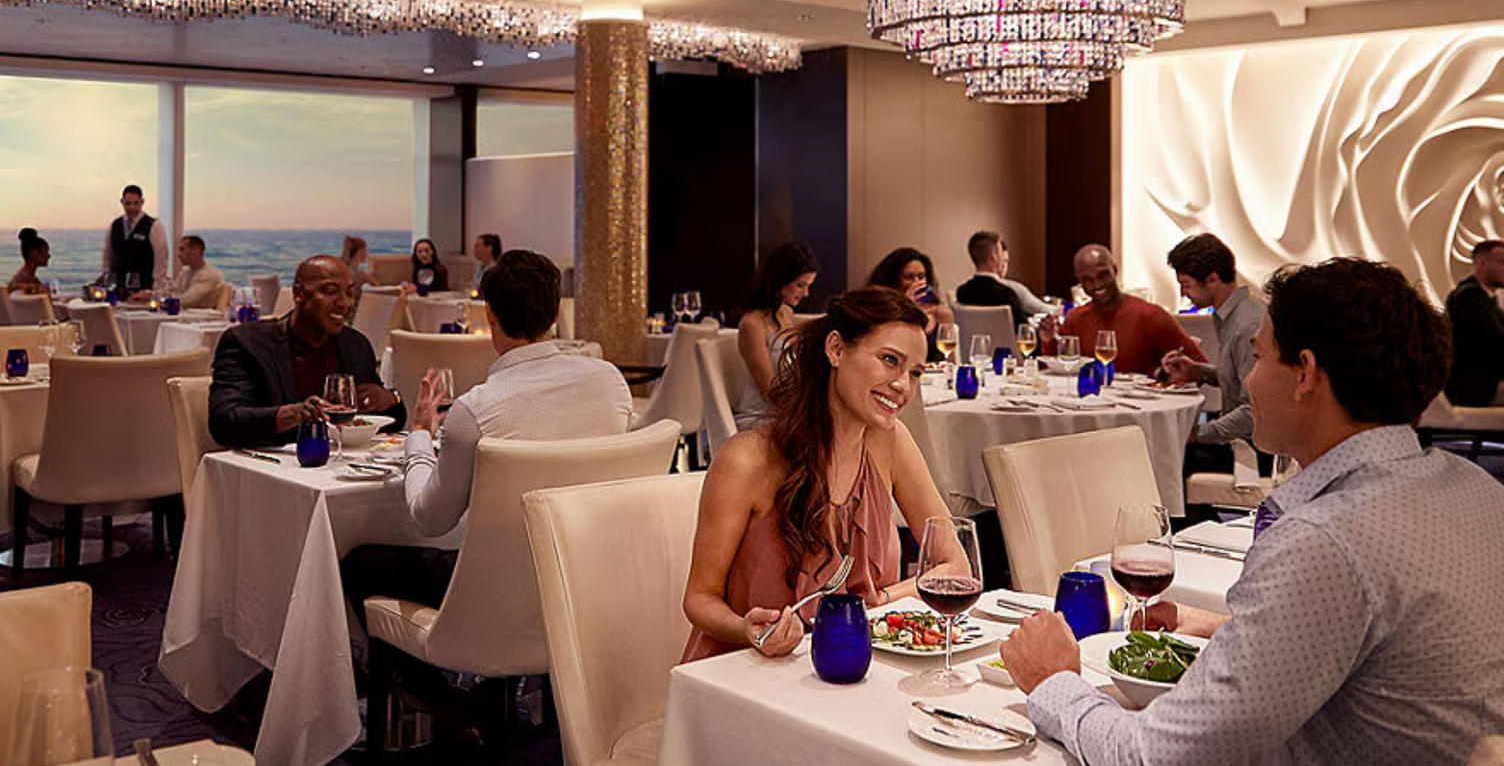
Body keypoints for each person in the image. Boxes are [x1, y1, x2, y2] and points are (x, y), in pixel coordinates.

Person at [999, 257, 1504, 766]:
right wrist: (1227, 630)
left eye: (1258, 357)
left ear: (1305, 373)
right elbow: (1403, 655)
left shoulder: (1325, 539)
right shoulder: (1484, 490)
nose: (1247, 381)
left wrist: (1051, 682)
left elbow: (1156, 757)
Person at [339, 249, 634, 615]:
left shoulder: (476, 409)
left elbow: (430, 519)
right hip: (588, 578)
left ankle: (419, 672)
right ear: (556, 314)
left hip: (495, 594)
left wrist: (418, 433)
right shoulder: (610, 382)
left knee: (357, 563)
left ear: (490, 316)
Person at [681, 287, 953, 660]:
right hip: (746, 673)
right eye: (890, 360)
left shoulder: (891, 442)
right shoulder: (748, 459)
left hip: (852, 671)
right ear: (836, 349)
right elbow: (699, 597)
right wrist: (747, 629)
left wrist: (877, 601)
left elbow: (954, 563)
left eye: (915, 373)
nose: (903, 386)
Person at [208, 255, 405, 449]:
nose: (345, 303)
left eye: (349, 293)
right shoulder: (247, 343)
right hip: (273, 468)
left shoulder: (354, 344)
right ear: (299, 294)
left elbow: (390, 422)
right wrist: (293, 414)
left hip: (341, 465)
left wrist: (391, 398)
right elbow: (223, 422)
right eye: (330, 291)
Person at [1164, 234, 1262, 443]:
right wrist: (1197, 371)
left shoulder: (1246, 326)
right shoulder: (1231, 316)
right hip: (1238, 434)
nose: (1183, 293)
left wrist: (1196, 435)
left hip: (1251, 449)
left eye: (1187, 284)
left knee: (1165, 447)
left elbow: (1254, 410)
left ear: (1212, 279)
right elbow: (1239, 378)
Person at [1058, 244, 1204, 375]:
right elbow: (1060, 367)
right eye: (1087, 279)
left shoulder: (1151, 315)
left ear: (1114, 271)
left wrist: (1164, 377)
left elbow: (1199, 366)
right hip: (1090, 401)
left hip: (1146, 402)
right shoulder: (1075, 318)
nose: (1097, 284)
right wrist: (1047, 340)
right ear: (1079, 281)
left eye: (1103, 274)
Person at [1444, 240, 1504, 422]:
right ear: (1482, 264)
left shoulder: (1480, 296)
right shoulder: (1468, 297)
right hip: (1471, 390)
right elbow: (1499, 339)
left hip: (1479, 385)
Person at [734, 243, 820, 430]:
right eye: (800, 285)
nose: (806, 294)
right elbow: (770, 391)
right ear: (781, 279)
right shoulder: (752, 324)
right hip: (761, 418)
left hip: (786, 413)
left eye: (808, 286)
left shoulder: (786, 314)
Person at [954, 230, 1053, 329]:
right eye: (1001, 251)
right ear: (993, 258)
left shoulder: (962, 293)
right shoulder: (1006, 295)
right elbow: (1024, 333)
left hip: (973, 344)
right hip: (1008, 345)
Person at [100, 184, 169, 299]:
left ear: (142, 202)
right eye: (128, 204)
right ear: (122, 202)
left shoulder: (154, 226)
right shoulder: (115, 225)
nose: (132, 207)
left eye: (136, 203)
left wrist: (156, 290)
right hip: (118, 287)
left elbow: (161, 259)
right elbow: (108, 254)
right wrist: (106, 276)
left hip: (143, 288)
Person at [866, 246, 953, 329]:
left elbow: (949, 341)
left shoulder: (938, 313)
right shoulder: (883, 313)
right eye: (908, 277)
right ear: (894, 281)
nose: (916, 282)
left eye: (921, 276)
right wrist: (907, 305)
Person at [168, 235, 225, 310]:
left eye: (182, 250)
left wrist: (161, 302)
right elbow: (172, 291)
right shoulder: (185, 272)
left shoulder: (209, 275)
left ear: (195, 251)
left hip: (203, 319)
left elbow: (187, 301)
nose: (179, 254)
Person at [7, 228, 53, 295]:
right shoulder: (28, 281)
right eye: (45, 251)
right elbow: (48, 304)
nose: (49, 255)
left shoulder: (22, 277)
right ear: (33, 252)